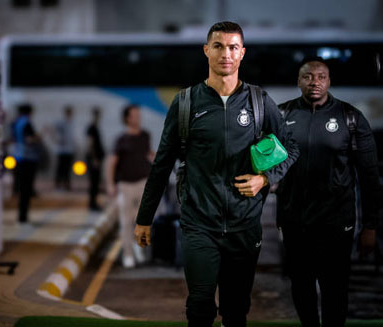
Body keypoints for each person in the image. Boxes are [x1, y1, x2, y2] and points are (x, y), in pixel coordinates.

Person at [133, 21, 299, 327]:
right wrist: (145, 218)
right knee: (199, 306)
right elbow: (162, 165)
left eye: (233, 47)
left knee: (236, 310)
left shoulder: (259, 102)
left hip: (245, 225)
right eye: (219, 46)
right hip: (199, 223)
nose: (226, 53)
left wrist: (266, 178)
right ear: (206, 50)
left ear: (242, 53)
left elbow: (291, 148)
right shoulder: (185, 103)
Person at [276, 58, 382, 327]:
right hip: (294, 221)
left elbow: (370, 178)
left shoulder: (351, 118)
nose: (315, 82)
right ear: (299, 81)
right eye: (308, 77)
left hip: (337, 222)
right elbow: (262, 162)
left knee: (335, 289)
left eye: (321, 77)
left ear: (329, 81)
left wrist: (370, 226)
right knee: (301, 287)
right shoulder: (281, 115)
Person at [106, 104, 155, 268]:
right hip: (125, 185)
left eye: (139, 114)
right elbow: (112, 163)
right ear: (127, 118)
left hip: (143, 183)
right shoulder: (121, 139)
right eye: (134, 115)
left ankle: (138, 246)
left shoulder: (145, 136)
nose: (138, 117)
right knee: (125, 222)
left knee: (142, 220)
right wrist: (110, 184)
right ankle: (128, 254)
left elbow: (150, 155)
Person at [12, 104, 40, 223]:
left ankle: (22, 216)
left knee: (21, 188)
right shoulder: (26, 123)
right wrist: (40, 136)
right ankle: (23, 217)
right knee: (26, 190)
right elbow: (29, 139)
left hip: (18, 157)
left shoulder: (16, 123)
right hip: (27, 158)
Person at [86, 107, 105, 211]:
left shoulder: (95, 127)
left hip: (96, 159)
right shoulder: (91, 128)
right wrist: (94, 158)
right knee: (93, 182)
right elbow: (90, 144)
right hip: (94, 160)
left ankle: (93, 203)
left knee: (96, 182)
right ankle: (92, 204)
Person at [54, 106, 75, 190]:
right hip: (62, 150)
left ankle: (66, 184)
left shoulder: (71, 122)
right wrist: (56, 140)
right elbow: (52, 129)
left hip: (69, 150)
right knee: (60, 168)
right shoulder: (61, 122)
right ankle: (58, 184)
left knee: (67, 169)